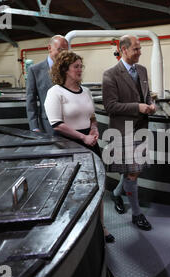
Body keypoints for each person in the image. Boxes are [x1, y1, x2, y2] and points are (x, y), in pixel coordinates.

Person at [44, 50, 114, 243]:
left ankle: (101, 225)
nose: (80, 70)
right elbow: (56, 123)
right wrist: (83, 138)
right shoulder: (55, 92)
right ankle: (74, 229)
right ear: (65, 70)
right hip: (68, 144)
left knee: (97, 185)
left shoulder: (86, 91)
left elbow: (91, 116)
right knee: (73, 189)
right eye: (76, 66)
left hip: (90, 142)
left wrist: (93, 130)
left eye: (81, 66)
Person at [102, 35, 156, 231]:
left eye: (140, 48)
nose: (140, 52)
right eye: (136, 49)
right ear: (123, 50)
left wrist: (151, 104)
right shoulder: (110, 74)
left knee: (135, 170)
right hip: (123, 131)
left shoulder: (142, 70)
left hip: (141, 129)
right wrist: (138, 107)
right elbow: (110, 106)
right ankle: (136, 214)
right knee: (133, 174)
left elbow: (147, 95)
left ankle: (117, 193)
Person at [27, 35, 69, 135]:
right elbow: (31, 100)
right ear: (49, 48)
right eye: (60, 50)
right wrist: (34, 127)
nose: (63, 54)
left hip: (70, 123)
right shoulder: (35, 70)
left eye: (65, 51)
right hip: (48, 125)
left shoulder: (69, 69)